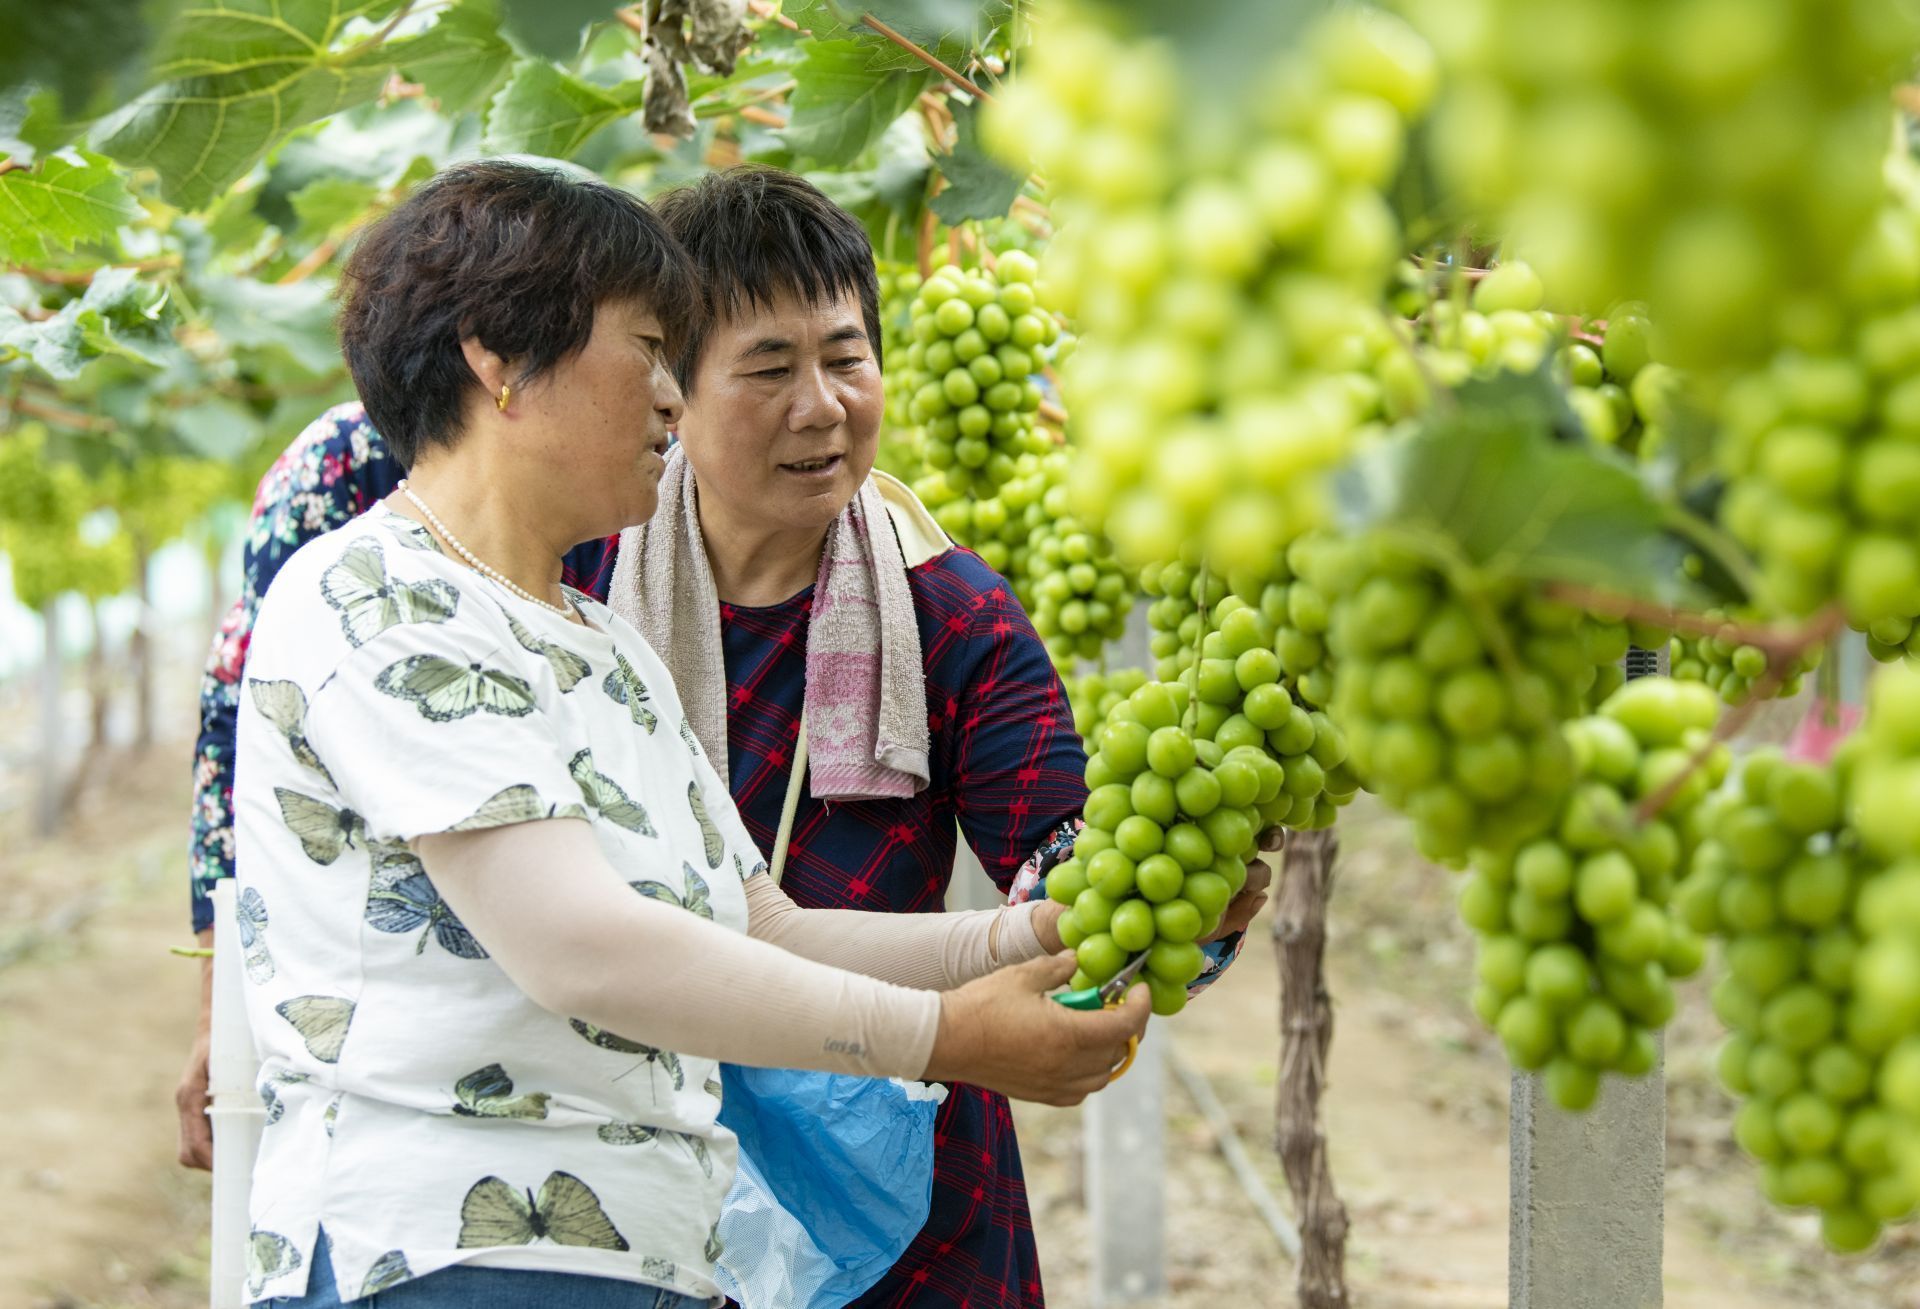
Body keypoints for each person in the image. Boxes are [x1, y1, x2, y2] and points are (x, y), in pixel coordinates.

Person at [181, 165, 1272, 1307]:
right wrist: (944, 1033)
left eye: (846, 359)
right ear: (498, 361)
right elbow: (583, 948)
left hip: (703, 1238)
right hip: (451, 1255)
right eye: (657, 351)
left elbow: (763, 927)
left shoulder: (608, 642)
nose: (668, 395)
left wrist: (1045, 929)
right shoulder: (389, 598)